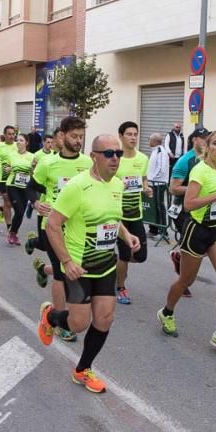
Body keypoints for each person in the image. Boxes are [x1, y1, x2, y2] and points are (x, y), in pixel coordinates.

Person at [37, 134, 141, 393]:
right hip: (78, 267)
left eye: (117, 153)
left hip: (106, 264)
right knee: (78, 324)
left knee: (105, 319)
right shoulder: (77, 187)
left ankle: (82, 369)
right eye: (108, 153)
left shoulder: (117, 185)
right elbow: (53, 225)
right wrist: (66, 262)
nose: (115, 158)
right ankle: (50, 316)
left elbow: (112, 219)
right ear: (94, 156)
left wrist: (127, 235)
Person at [158, 131, 216, 355]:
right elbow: (189, 204)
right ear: (207, 146)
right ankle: (167, 312)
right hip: (196, 230)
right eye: (215, 143)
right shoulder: (199, 170)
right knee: (186, 280)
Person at [28, 116, 91, 342]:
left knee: (72, 271)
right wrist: (36, 202)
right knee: (61, 272)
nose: (78, 141)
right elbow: (31, 188)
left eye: (81, 137)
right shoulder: (48, 163)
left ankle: (42, 271)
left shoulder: (88, 163)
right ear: (62, 136)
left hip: (78, 228)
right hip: (51, 225)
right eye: (74, 136)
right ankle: (60, 320)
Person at [167, 127, 209, 297]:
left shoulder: (207, 160)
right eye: (203, 138)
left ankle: (179, 259)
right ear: (194, 140)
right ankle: (183, 283)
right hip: (182, 210)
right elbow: (173, 188)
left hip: (200, 210)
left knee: (201, 248)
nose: (206, 141)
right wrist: (195, 190)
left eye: (208, 138)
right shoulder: (186, 161)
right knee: (191, 249)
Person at [114, 121, 152, 305]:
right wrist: (118, 186)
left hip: (135, 213)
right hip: (118, 215)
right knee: (124, 254)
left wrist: (146, 188)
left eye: (135, 134)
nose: (133, 137)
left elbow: (143, 179)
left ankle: (116, 267)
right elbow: (105, 182)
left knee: (141, 255)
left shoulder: (143, 158)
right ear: (120, 136)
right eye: (129, 134)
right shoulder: (115, 158)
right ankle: (120, 287)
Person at [5, 134, 35, 246]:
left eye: (21, 140)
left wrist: (33, 168)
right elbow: (6, 168)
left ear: (27, 143)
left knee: (20, 213)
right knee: (19, 210)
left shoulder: (32, 156)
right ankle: (12, 234)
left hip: (26, 187)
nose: (18, 142)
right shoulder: (11, 155)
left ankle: (13, 232)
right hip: (12, 185)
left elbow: (34, 172)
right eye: (17, 140)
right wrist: (7, 169)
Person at [147, 132, 169, 235]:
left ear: (155, 141)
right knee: (153, 207)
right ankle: (153, 229)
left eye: (150, 139)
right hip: (153, 183)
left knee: (159, 206)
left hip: (158, 184)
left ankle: (163, 231)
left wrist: (152, 179)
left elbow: (161, 168)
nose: (148, 141)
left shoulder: (161, 151)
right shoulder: (155, 151)